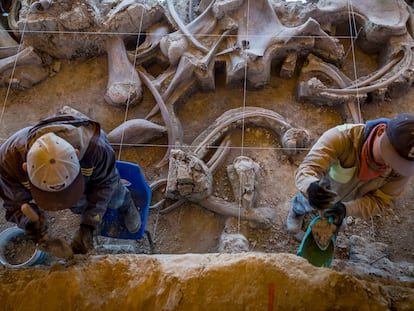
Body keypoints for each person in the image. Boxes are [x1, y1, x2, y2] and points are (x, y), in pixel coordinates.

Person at [0, 114, 141, 254]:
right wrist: (28, 222)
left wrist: (88, 224)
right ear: (25, 167)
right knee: (78, 204)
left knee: (115, 196)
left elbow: (105, 183)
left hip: (95, 179)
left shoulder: (96, 147)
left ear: (76, 153)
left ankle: (127, 206)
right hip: (79, 186)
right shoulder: (8, 161)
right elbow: (14, 203)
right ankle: (89, 216)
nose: (59, 206)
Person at [287, 113, 414, 241]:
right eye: (388, 156)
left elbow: (381, 200)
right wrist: (310, 186)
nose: (389, 165)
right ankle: (297, 212)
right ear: (381, 131)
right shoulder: (341, 137)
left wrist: (347, 209)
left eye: (398, 163)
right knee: (305, 201)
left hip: (349, 199)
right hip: (321, 188)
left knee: (333, 220)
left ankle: (333, 217)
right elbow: (309, 167)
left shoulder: (404, 167)